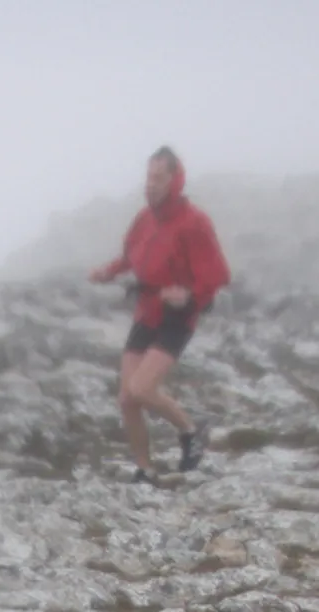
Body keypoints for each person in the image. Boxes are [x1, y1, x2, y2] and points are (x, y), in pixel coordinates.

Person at [89, 146, 232, 485]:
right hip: (147, 311)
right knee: (127, 398)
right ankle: (145, 468)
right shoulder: (144, 219)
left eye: (158, 178)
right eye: (148, 177)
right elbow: (130, 256)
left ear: (175, 180)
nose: (150, 185)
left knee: (141, 387)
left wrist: (189, 295)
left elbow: (218, 274)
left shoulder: (194, 222)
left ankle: (191, 430)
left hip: (177, 318)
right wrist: (108, 272)